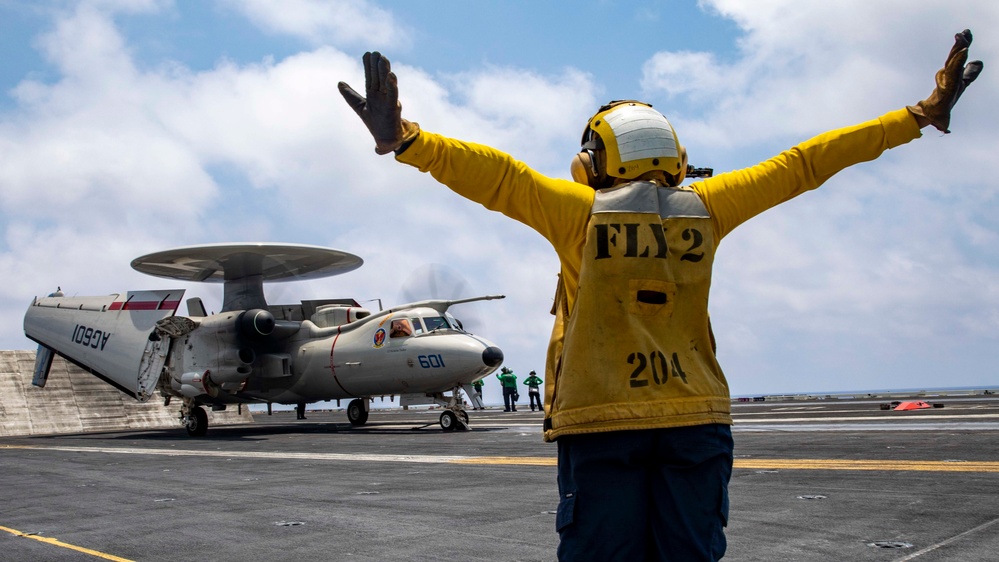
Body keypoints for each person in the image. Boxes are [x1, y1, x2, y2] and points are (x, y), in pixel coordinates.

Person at [338, 31, 982, 561]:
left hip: (602, 423)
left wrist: (408, 141)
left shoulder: (578, 212)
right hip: (697, 418)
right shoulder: (708, 206)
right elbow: (805, 164)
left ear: (593, 159)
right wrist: (917, 117)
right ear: (675, 156)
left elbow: (497, 175)